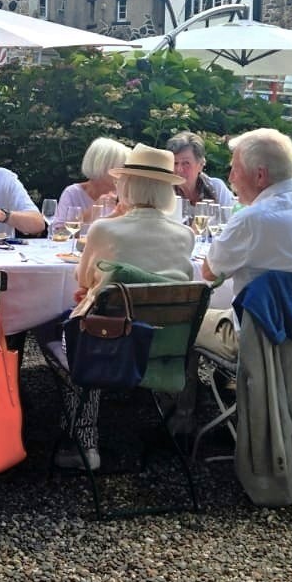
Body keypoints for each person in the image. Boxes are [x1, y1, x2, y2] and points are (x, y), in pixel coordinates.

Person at [57, 143, 195, 470]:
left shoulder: (106, 229)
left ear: (127, 185)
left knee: (67, 330)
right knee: (95, 318)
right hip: (164, 345)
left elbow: (82, 278)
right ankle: (175, 422)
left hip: (108, 346)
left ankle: (83, 441)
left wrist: (97, 291)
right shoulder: (185, 235)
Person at [202, 128, 292, 297]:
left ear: (260, 176)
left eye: (235, 170)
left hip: (265, 314)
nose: (230, 178)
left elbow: (210, 273)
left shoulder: (251, 220)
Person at [54, 136, 128, 226]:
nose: (124, 175)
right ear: (103, 167)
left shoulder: (125, 197)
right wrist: (95, 209)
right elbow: (59, 231)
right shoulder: (73, 193)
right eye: (120, 169)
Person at [167, 131, 235, 210]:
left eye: (186, 163)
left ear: (200, 165)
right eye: (175, 163)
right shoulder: (165, 191)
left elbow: (233, 215)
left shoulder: (216, 188)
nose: (179, 169)